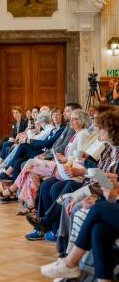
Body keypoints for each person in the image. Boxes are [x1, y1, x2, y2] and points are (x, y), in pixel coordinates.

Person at [41, 109, 119, 281]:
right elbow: (104, 176)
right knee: (98, 230)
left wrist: (108, 192)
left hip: (104, 192)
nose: (97, 130)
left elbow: (108, 178)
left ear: (111, 129)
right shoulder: (108, 150)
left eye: (101, 127)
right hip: (101, 189)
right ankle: (83, 271)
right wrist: (107, 189)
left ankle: (69, 262)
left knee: (90, 207)